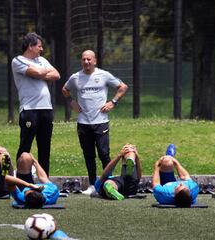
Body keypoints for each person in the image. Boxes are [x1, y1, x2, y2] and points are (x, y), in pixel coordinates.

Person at [62, 50, 128, 195]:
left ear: (95, 61)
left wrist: (113, 102)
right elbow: (65, 90)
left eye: (89, 59)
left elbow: (123, 87)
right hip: (83, 123)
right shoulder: (76, 77)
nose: (86, 62)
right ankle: (92, 185)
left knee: (104, 154)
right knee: (89, 155)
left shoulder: (103, 75)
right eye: (84, 59)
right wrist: (71, 102)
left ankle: (108, 184)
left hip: (101, 122)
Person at [11, 32, 61, 176]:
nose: (41, 49)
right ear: (30, 46)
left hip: (46, 109)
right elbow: (37, 73)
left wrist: (40, 72)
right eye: (39, 46)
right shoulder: (18, 60)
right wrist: (43, 73)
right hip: (29, 110)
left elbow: (56, 75)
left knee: (45, 148)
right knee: (25, 146)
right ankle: (21, 179)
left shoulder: (42, 60)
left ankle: (45, 182)